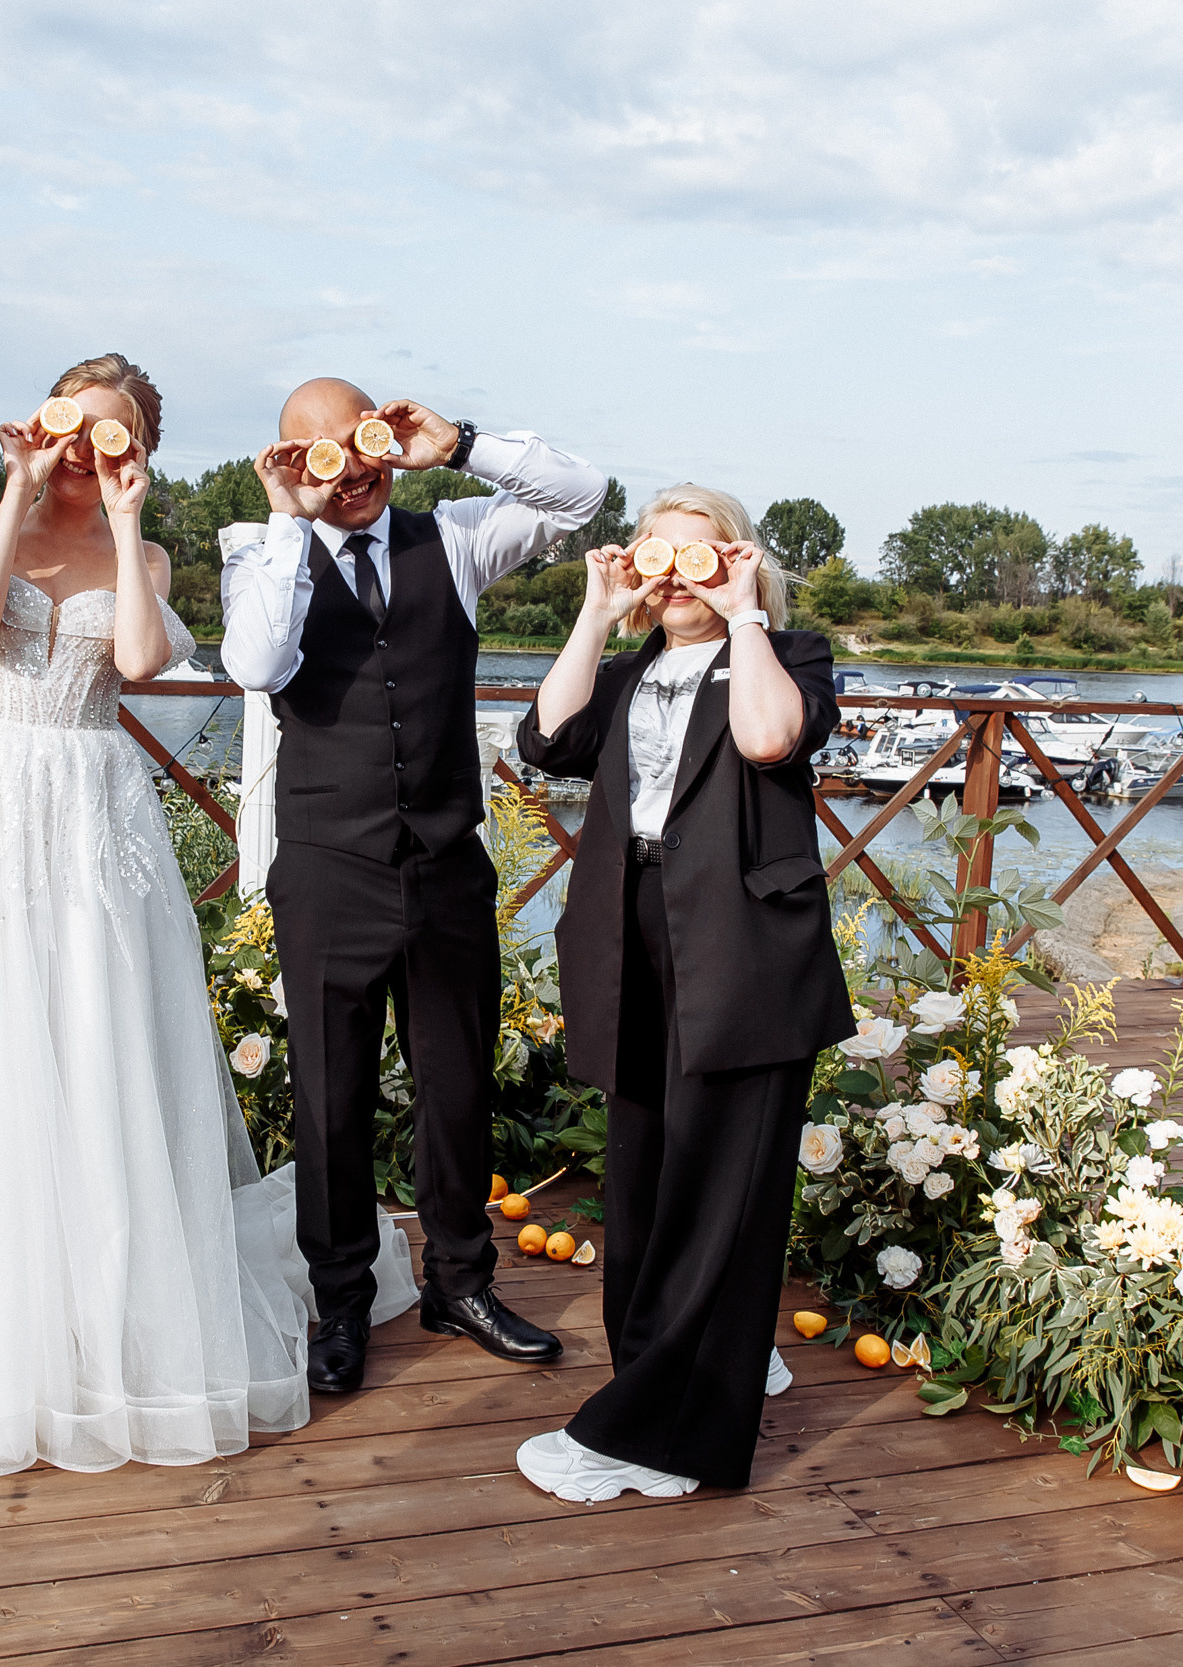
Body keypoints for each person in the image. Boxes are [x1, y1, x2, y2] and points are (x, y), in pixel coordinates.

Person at [0, 355, 414, 1478]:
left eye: (113, 434)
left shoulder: (154, 549)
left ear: (138, 451)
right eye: (75, 425)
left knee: (92, 1036)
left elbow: (134, 657)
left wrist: (126, 529)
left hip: (91, 800)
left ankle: (102, 1294)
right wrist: (22, 484)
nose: (88, 447)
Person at [220, 381, 603, 1393]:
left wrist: (463, 443)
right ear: (290, 460)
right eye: (323, 453)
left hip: (444, 861)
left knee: (456, 1081)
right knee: (330, 1098)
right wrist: (287, 521)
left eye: (364, 441)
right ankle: (339, 1300)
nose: (354, 467)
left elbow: (583, 495)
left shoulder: (458, 536)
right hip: (326, 865)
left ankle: (459, 1281)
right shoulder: (258, 547)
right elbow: (258, 661)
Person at [511, 484, 853, 1503]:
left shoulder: (786, 658)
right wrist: (594, 606)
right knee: (648, 1178)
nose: (673, 572)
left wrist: (746, 607)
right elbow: (544, 739)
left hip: (744, 948)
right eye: (655, 553)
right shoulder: (625, 671)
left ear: (739, 561)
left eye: (695, 554)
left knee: (721, 1193)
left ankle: (655, 1436)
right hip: (632, 940)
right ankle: (687, 1374)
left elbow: (764, 742)